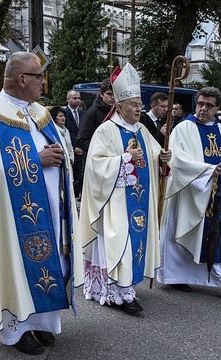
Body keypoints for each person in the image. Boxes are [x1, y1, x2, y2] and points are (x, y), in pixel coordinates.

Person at [0, 52, 81, 356]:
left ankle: (43, 321)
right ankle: (17, 329)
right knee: (15, 263)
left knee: (50, 257)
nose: (44, 82)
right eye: (39, 77)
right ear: (22, 79)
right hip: (13, 215)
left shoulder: (39, 112)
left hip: (50, 209)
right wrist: (35, 160)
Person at [79, 63, 172, 315]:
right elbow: (95, 166)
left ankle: (126, 287)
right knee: (118, 241)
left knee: (134, 242)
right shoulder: (106, 130)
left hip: (139, 201)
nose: (138, 109)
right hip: (114, 202)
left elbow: (153, 156)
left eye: (139, 104)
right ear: (118, 106)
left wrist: (162, 159)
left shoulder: (142, 129)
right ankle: (114, 292)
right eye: (133, 104)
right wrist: (123, 159)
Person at [157, 87, 221, 300]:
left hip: (217, 196)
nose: (203, 109)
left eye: (209, 106)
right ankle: (177, 277)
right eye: (200, 104)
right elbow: (176, 160)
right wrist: (206, 171)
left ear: (217, 109)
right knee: (183, 234)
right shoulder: (183, 128)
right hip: (188, 194)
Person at [76, 79, 115, 162]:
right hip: (94, 161)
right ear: (101, 94)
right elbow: (82, 140)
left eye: (114, 94)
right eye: (109, 94)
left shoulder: (116, 112)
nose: (112, 97)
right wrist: (101, 152)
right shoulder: (91, 113)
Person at [64, 89, 85, 198]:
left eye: (78, 98)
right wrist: (73, 147)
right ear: (68, 99)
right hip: (70, 150)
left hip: (82, 150)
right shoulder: (64, 114)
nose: (77, 100)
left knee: (81, 176)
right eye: (74, 98)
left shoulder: (83, 114)